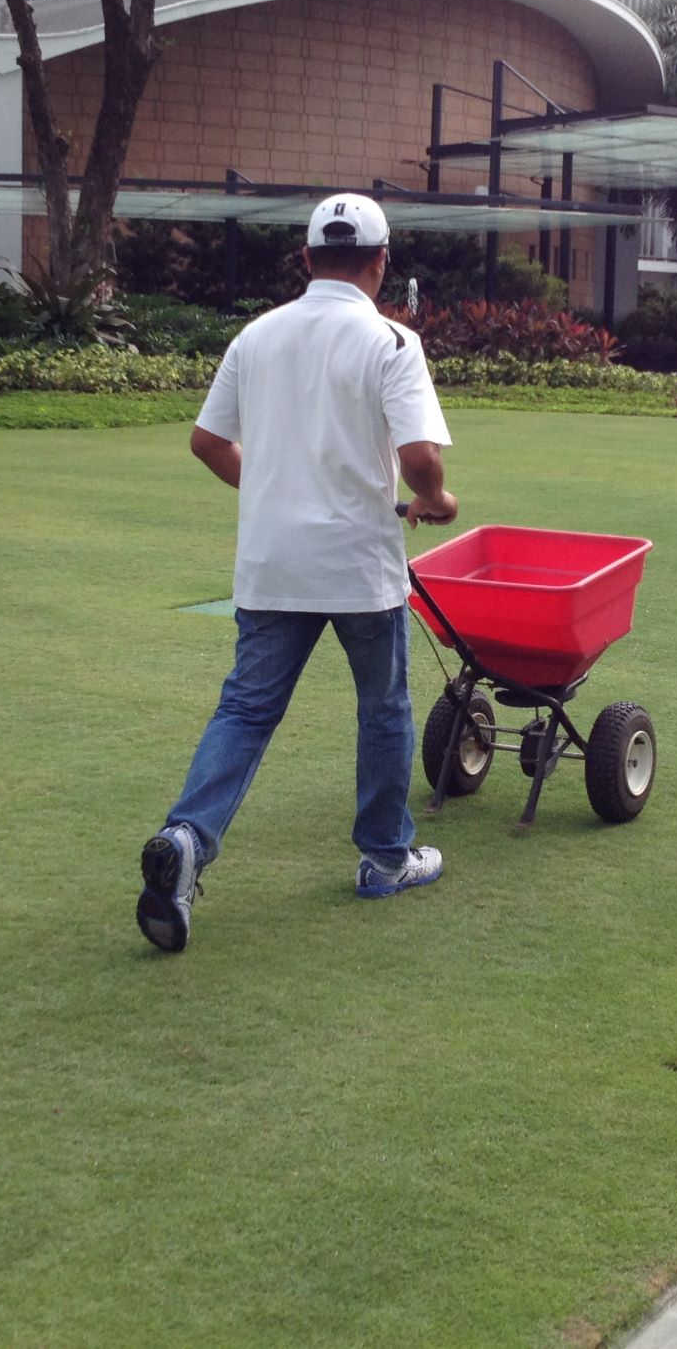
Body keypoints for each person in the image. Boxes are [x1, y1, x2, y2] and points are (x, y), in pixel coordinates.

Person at [136, 194, 458, 953]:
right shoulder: (390, 341)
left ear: (307, 258)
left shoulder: (257, 335)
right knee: (382, 709)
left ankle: (187, 835)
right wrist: (436, 500)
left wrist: (280, 491)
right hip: (357, 565)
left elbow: (208, 443)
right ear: (381, 262)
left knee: (245, 711)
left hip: (272, 561)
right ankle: (384, 858)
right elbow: (418, 460)